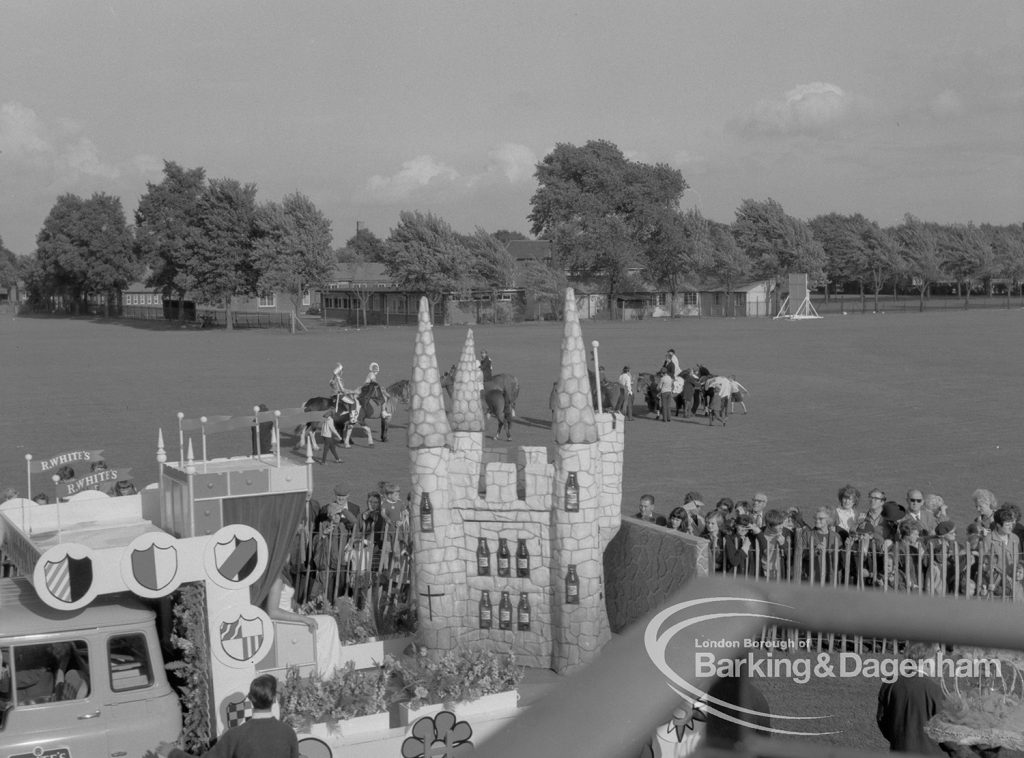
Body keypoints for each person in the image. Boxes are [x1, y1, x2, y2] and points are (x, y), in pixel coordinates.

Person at [160, 674, 298, 758]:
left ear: (250, 698)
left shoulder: (235, 736)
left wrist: (172, 753)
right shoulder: (288, 733)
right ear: (274, 699)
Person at [264, 567, 342, 681]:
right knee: (329, 623)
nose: (289, 555)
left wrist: (304, 608)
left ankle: (327, 670)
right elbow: (273, 612)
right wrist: (303, 619)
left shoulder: (280, 575)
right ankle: (327, 674)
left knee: (328, 622)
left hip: (290, 618)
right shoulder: (276, 579)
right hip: (284, 624)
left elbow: (285, 602)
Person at [876, 642, 946, 755]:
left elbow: (882, 719)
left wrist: (898, 739)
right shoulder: (934, 690)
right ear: (927, 663)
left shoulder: (890, 684)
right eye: (934, 660)